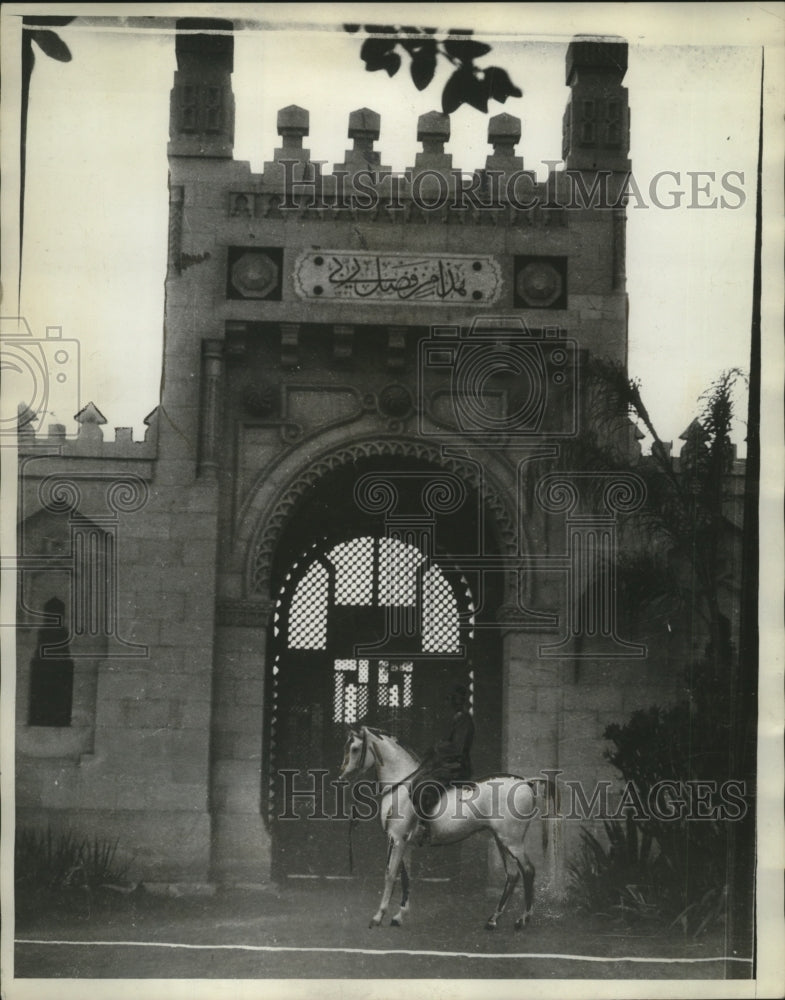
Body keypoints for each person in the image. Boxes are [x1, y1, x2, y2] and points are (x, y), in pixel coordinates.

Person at [408, 685, 475, 845]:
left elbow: (457, 748)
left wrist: (437, 747)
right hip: (448, 764)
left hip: (458, 766)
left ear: (461, 702)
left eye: (456, 700)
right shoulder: (456, 719)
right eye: (452, 700)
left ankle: (423, 826)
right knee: (417, 780)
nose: (453, 703)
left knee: (426, 785)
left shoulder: (464, 720)